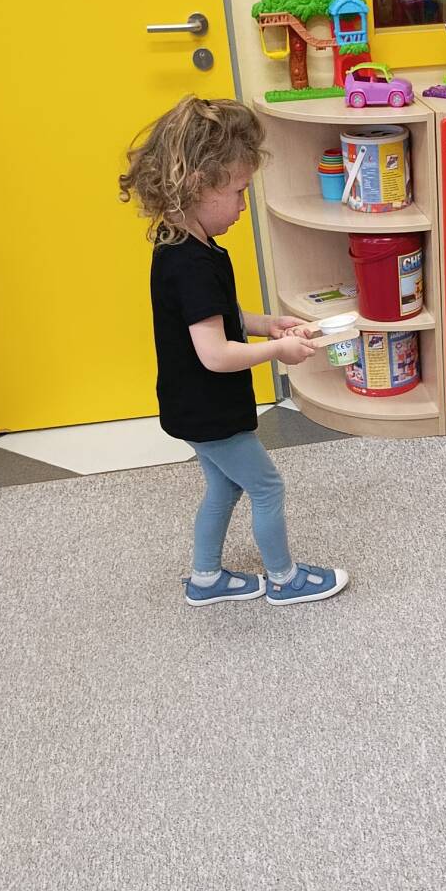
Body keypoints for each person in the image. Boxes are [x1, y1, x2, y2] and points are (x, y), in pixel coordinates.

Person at [119, 95, 349, 607]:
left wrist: (268, 324)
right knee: (267, 486)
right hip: (209, 409)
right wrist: (279, 350)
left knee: (225, 488)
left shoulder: (183, 246)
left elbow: (217, 317)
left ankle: (205, 580)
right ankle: (285, 579)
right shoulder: (192, 266)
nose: (244, 206)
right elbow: (216, 354)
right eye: (239, 192)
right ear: (199, 184)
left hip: (191, 406)